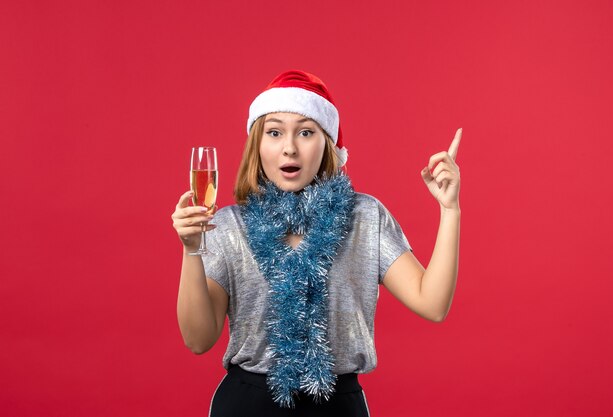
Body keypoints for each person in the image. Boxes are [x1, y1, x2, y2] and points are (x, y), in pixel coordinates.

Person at [172, 70, 462, 417]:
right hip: (247, 404)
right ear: (257, 145)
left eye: (306, 132)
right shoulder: (229, 225)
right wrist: (192, 248)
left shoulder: (364, 217)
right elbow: (198, 340)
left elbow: (432, 304)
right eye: (274, 132)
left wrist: (450, 210)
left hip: (337, 406)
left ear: (328, 145)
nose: (290, 147)